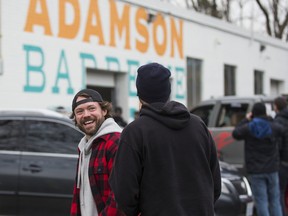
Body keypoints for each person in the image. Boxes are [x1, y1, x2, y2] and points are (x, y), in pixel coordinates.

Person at [109, 62, 221, 215]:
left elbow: (124, 193)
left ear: (139, 94)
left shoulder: (134, 132)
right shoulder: (198, 125)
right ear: (168, 92)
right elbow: (215, 182)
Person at [69, 89, 123, 216]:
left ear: (104, 111)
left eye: (91, 108)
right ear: (75, 118)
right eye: (79, 111)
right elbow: (79, 197)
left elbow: (120, 197)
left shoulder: (115, 141)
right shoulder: (84, 147)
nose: (86, 114)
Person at [232, 102, 283, 216]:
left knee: (261, 201)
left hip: (256, 170)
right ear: (265, 112)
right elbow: (281, 129)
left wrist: (245, 119)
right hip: (272, 169)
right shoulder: (272, 126)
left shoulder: (249, 127)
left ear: (253, 113)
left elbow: (236, 133)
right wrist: (269, 118)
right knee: (275, 200)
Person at [274, 96, 288, 216]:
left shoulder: (278, 121)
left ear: (276, 107)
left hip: (283, 162)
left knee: (280, 193)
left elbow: (278, 144)